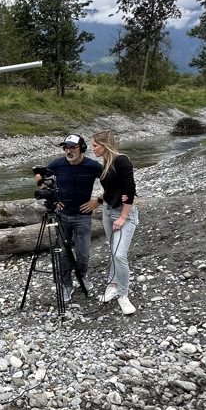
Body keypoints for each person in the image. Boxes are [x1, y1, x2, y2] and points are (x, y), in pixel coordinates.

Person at [46, 133, 103, 306]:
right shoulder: (57, 164)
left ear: (82, 148)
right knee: (63, 252)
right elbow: (43, 181)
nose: (68, 151)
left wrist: (97, 201)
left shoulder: (92, 166)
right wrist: (53, 201)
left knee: (83, 252)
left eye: (72, 147)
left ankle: (82, 275)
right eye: (66, 147)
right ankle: (66, 284)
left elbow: (113, 183)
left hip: (83, 216)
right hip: (62, 216)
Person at [89, 130, 138, 316]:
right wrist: (99, 200)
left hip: (123, 213)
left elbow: (130, 190)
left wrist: (123, 217)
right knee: (113, 250)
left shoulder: (121, 160)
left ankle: (123, 295)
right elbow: (111, 190)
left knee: (119, 254)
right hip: (108, 211)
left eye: (95, 145)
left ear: (105, 145)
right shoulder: (105, 163)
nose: (92, 149)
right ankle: (113, 284)